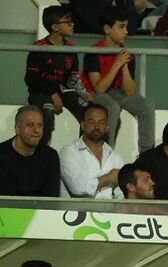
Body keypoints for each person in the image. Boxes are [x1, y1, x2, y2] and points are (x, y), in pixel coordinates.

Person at [81, 6, 156, 154]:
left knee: (146, 105)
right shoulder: (94, 52)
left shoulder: (126, 54)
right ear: (107, 29)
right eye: (121, 27)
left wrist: (124, 65)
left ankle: (147, 154)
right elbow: (99, 88)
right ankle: (106, 152)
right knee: (112, 107)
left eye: (126, 27)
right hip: (91, 91)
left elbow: (130, 91)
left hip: (115, 91)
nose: (126, 32)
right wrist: (117, 64)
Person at [25, 6, 91, 145]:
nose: (72, 24)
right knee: (47, 111)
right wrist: (53, 92)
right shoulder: (39, 47)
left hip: (63, 91)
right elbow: (31, 79)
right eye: (67, 22)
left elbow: (73, 79)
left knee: (89, 111)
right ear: (55, 27)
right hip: (40, 92)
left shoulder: (71, 48)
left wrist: (84, 94)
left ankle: (84, 149)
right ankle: (42, 150)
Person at [59, 104, 124, 199]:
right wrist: (108, 178)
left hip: (108, 213)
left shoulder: (115, 157)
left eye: (101, 122)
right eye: (91, 122)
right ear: (83, 125)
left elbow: (121, 194)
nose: (97, 126)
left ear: (107, 127)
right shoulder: (69, 152)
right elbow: (77, 188)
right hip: (74, 213)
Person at [0, 106, 60, 198]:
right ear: (17, 129)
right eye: (30, 125)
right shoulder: (2, 154)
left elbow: (51, 201)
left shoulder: (50, 156)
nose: (36, 130)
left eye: (39, 125)